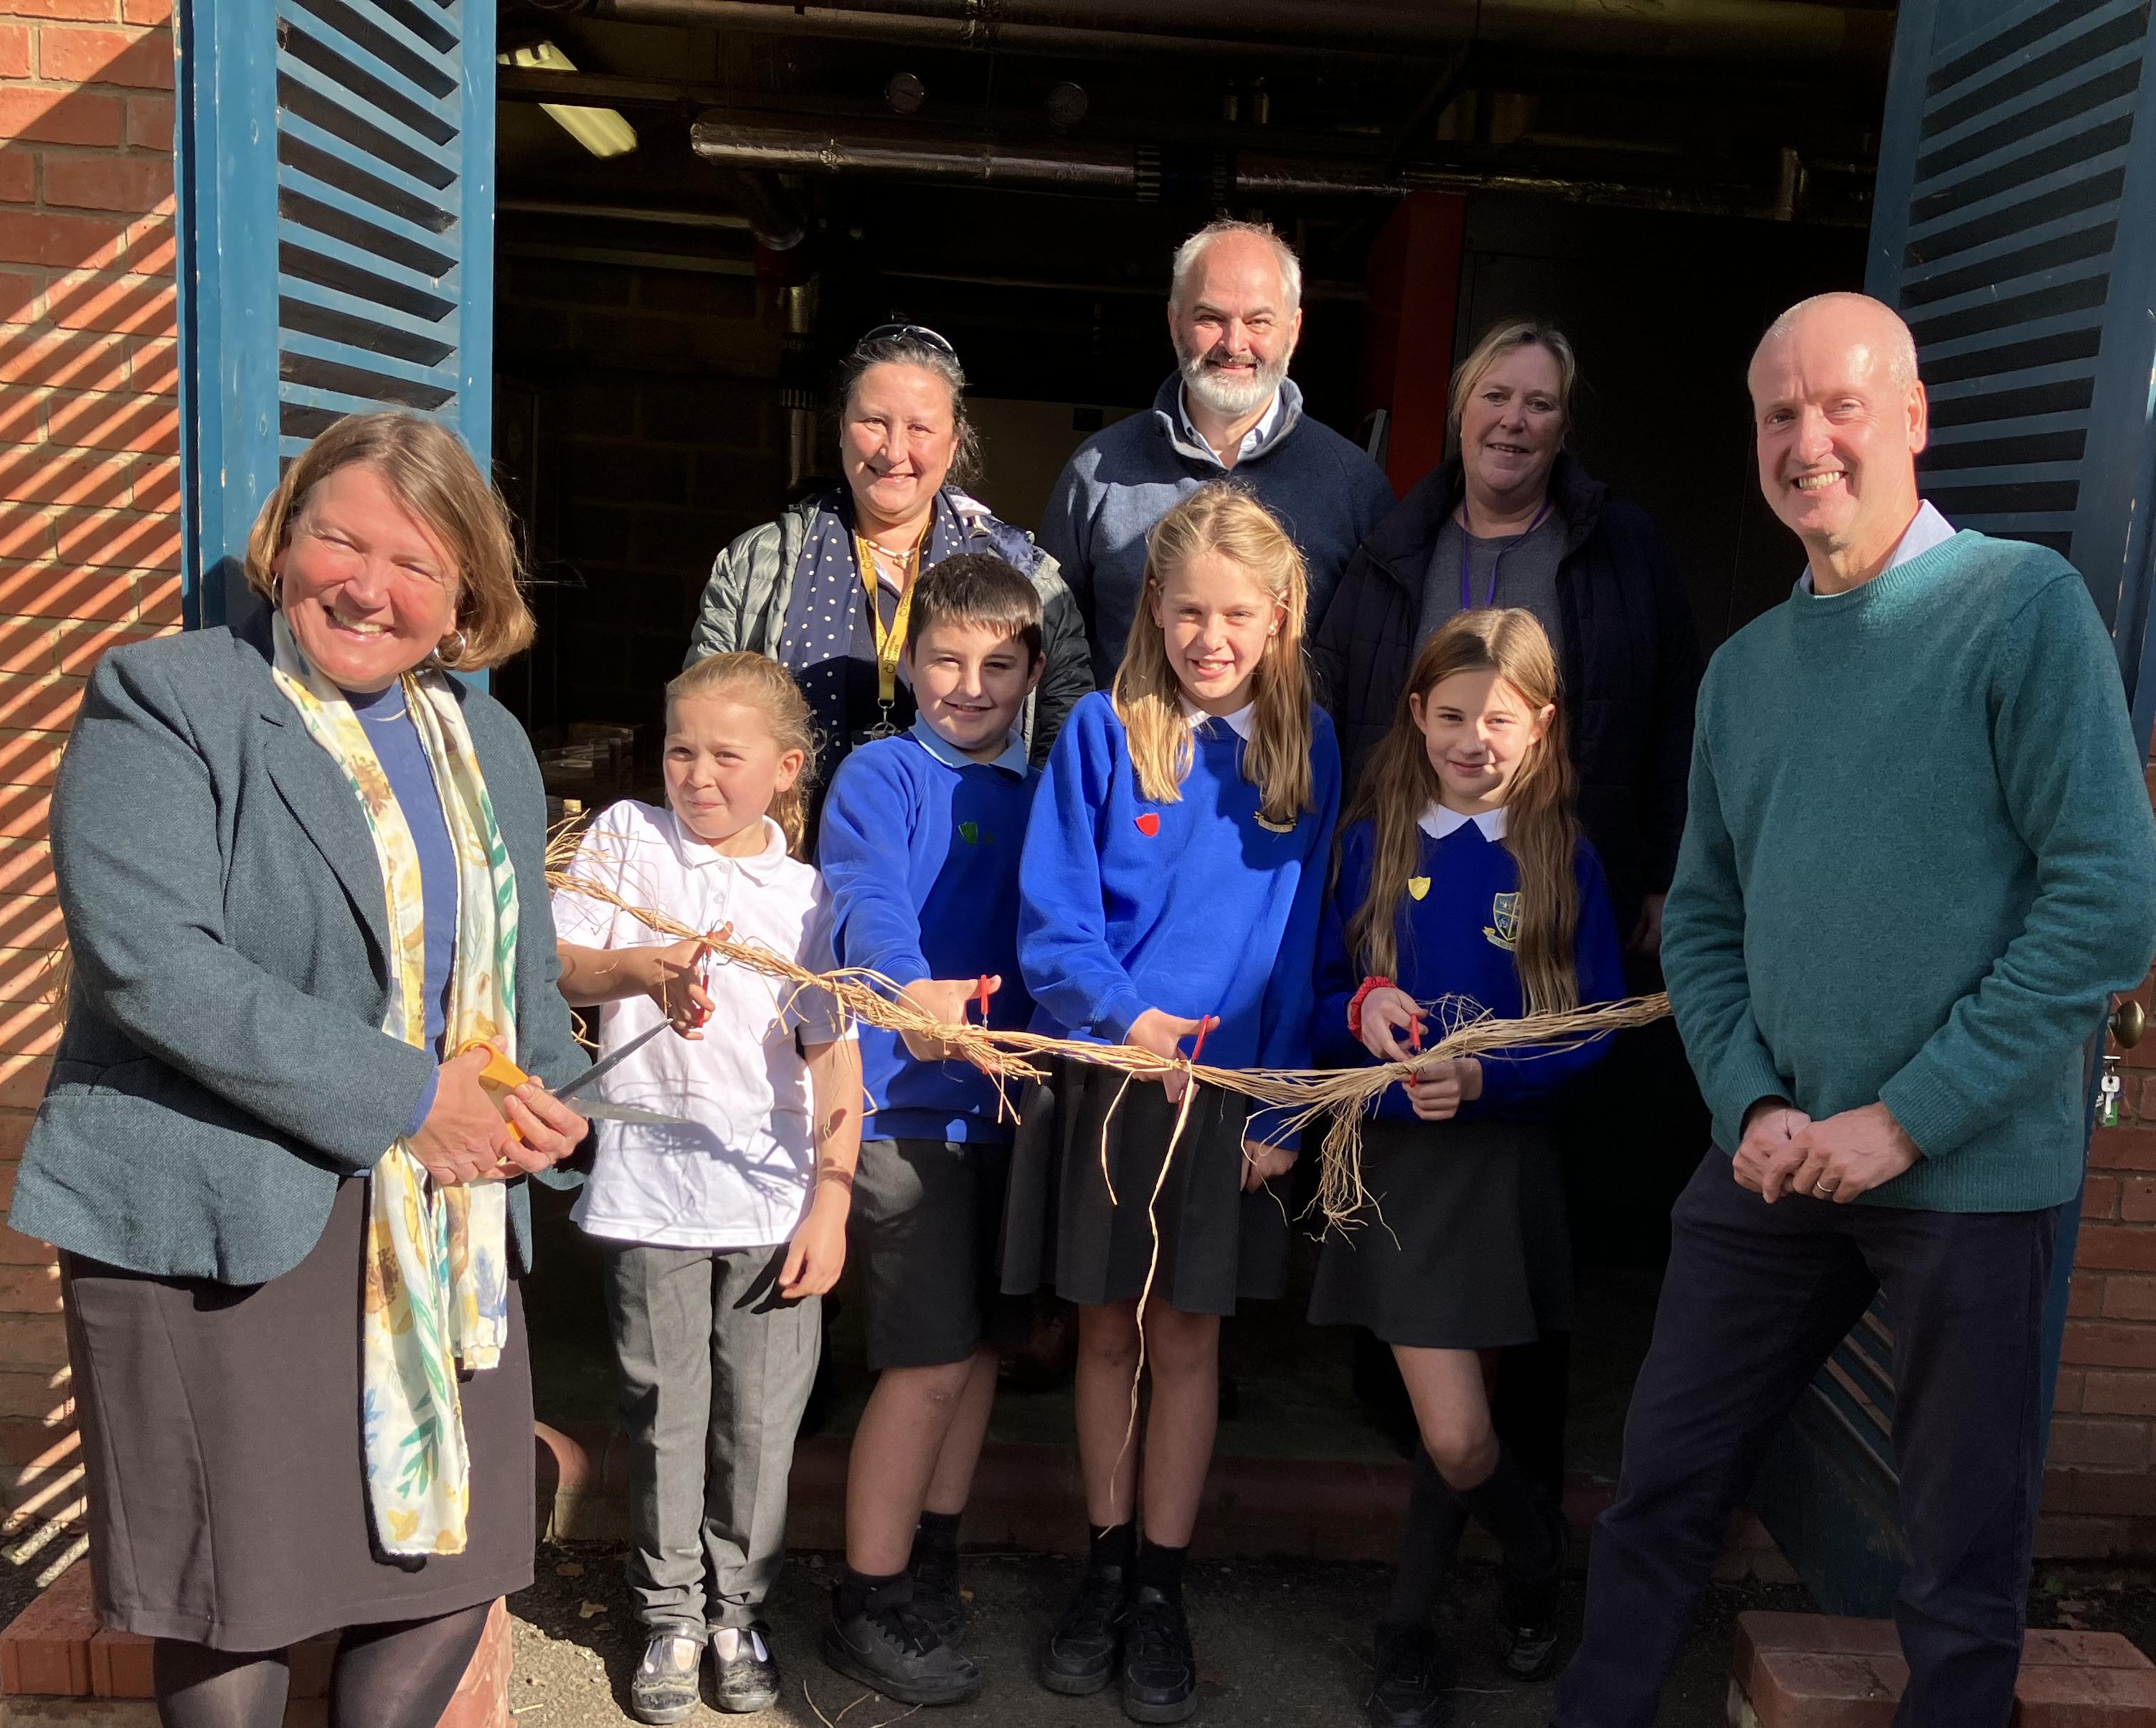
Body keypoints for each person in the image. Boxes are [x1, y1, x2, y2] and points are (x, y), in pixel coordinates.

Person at [1425, 293, 2156, 1728]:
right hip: (1773, 1169)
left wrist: (1903, 1117)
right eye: (1775, 416)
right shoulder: (1753, 672)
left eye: (1838, 407)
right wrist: (1755, 1103)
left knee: (1955, 1548)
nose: (1803, 442)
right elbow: (1704, 925)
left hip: (1963, 1175)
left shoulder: (2017, 612)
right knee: (1666, 1483)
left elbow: (2109, 906)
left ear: (1912, 420)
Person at [9, 410, 590, 1728]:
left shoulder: (486, 743)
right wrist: (415, 1099)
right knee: (239, 1571)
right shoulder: (171, 699)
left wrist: (553, 1101)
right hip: (216, 1195)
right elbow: (158, 964)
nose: (372, 584)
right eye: (345, 539)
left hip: (436, 1223)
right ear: (283, 542)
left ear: (467, 600)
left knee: (462, 1543)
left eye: (421, 562)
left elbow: (523, 989)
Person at [1311, 320, 1708, 1514]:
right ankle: (1464, 1513)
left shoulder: (1614, 545)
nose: (1515, 421)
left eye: (1540, 402)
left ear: (1564, 423)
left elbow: (1670, 706)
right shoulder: (1394, 542)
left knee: (1525, 1281)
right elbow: (1337, 702)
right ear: (1457, 407)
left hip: (1544, 882)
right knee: (1413, 1348)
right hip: (1413, 880)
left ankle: (1515, 1525)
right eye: (1496, 396)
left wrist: (1654, 867)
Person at [1006, 483, 1340, 1725]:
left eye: (1235, 614)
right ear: (1155, 603)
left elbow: (1298, 945)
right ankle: (1101, 1560)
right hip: (1112, 1082)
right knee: (1103, 1333)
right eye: (1189, 609)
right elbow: (1054, 918)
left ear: (1278, 614)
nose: (1210, 637)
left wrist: (1281, 1113)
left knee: (1189, 1340)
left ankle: (1161, 1583)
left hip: (1228, 1102)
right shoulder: (1102, 731)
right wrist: (1116, 1016)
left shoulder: (1306, 749)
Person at [1310, 609, 1624, 1728]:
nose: (1474, 739)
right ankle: (1532, 1552)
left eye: (1500, 718)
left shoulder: (1562, 856)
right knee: (1451, 1431)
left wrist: (1497, 1083)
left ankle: (1409, 1633)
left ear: (1541, 726)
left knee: (1459, 1429)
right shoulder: (1372, 843)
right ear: (1417, 715)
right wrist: (1361, 1006)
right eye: (1452, 715)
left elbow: (1595, 1030)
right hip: (1395, 1162)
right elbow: (1311, 994)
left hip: (1499, 1169)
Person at [552, 653, 861, 1727]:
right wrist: (645, 969)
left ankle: (740, 1609)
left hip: (771, 1195)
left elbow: (833, 1054)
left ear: (784, 770)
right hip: (649, 1188)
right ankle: (669, 1612)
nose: (698, 775)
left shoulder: (810, 895)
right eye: (682, 748)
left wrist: (832, 1197)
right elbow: (559, 960)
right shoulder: (626, 843)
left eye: (727, 756)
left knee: (762, 1418)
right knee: (664, 1407)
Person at [813, 554, 1047, 1706]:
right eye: (946, 659)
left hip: (1012, 1109)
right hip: (909, 1108)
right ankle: (868, 1591)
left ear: (1034, 670)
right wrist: (917, 1002)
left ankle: (930, 1559)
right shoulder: (879, 775)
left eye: (998, 664)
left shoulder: (1049, 789)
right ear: (908, 660)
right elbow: (869, 906)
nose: (969, 684)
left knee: (982, 1349)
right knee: (922, 1362)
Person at [690, 322, 1094, 828]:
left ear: (954, 442)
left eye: (920, 428)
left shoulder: (1027, 575)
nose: (894, 450)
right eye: (874, 422)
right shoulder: (757, 565)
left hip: (968, 871)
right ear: (840, 429)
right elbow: (700, 726)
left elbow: (1065, 746)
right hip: (788, 880)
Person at [1043, 219, 1394, 686]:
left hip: (1295, 759)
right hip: (1127, 757)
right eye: (1210, 318)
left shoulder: (1356, 488)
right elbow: (1049, 651)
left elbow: (1376, 675)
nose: (1234, 344)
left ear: (1293, 329)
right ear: (1173, 322)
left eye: (1258, 321)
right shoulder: (1097, 474)